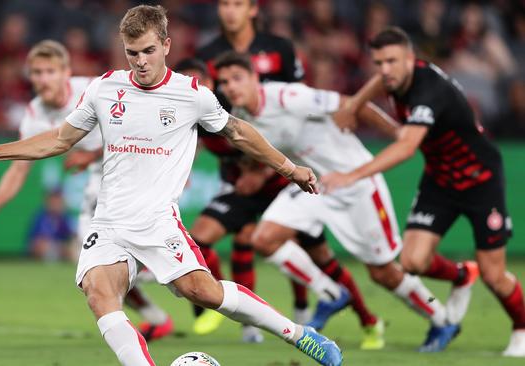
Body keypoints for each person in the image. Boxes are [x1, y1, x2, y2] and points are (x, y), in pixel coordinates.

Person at [0, 5, 342, 366]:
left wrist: (290, 168)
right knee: (99, 293)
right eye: (132, 53)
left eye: (148, 51)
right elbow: (60, 139)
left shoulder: (191, 94)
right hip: (109, 222)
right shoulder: (104, 89)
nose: (140, 61)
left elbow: (239, 133)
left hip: (158, 223)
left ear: (165, 45)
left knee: (203, 292)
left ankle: (298, 334)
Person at [214, 50, 474, 352]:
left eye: (237, 78)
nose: (231, 87)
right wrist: (257, 174)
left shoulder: (288, 97)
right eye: (225, 82)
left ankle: (442, 319)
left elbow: (351, 105)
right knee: (265, 239)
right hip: (316, 184)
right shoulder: (241, 115)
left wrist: (398, 134)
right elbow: (269, 149)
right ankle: (330, 294)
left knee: (383, 272)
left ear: (255, 78)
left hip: (358, 183)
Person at [321, 26, 525, 357]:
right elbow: (379, 81)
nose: (384, 70)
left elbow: (405, 148)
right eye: (379, 62)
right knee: (412, 261)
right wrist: (356, 102)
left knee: (495, 275)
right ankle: (462, 274)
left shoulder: (429, 91)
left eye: (391, 62)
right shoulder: (395, 77)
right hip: (440, 179)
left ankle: (521, 328)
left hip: (480, 178)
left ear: (411, 60)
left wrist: (351, 175)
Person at [0, 39, 173, 341]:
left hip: (133, 165)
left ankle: (166, 267)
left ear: (65, 72)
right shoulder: (35, 113)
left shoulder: (95, 90)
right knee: (92, 261)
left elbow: (136, 130)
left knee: (113, 252)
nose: (43, 79)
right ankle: (155, 317)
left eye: (50, 71)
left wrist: (90, 155)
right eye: (37, 72)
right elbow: (19, 166)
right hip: (101, 175)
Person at [175, 57, 380, 347]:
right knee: (208, 238)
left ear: (208, 82)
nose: (194, 87)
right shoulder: (187, 113)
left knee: (319, 256)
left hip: (278, 184)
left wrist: (259, 172)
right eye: (186, 82)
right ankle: (220, 309)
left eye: (199, 80)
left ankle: (366, 320)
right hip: (243, 188)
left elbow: (271, 138)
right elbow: (189, 143)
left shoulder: (230, 105)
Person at [191, 0, 312, 338]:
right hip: (237, 166)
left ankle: (303, 308)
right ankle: (250, 323)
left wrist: (269, 167)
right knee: (242, 236)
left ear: (253, 9)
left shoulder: (280, 48)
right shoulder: (209, 53)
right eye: (224, 4)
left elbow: (299, 108)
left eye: (237, 3)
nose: (230, 10)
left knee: (288, 238)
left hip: (281, 161)